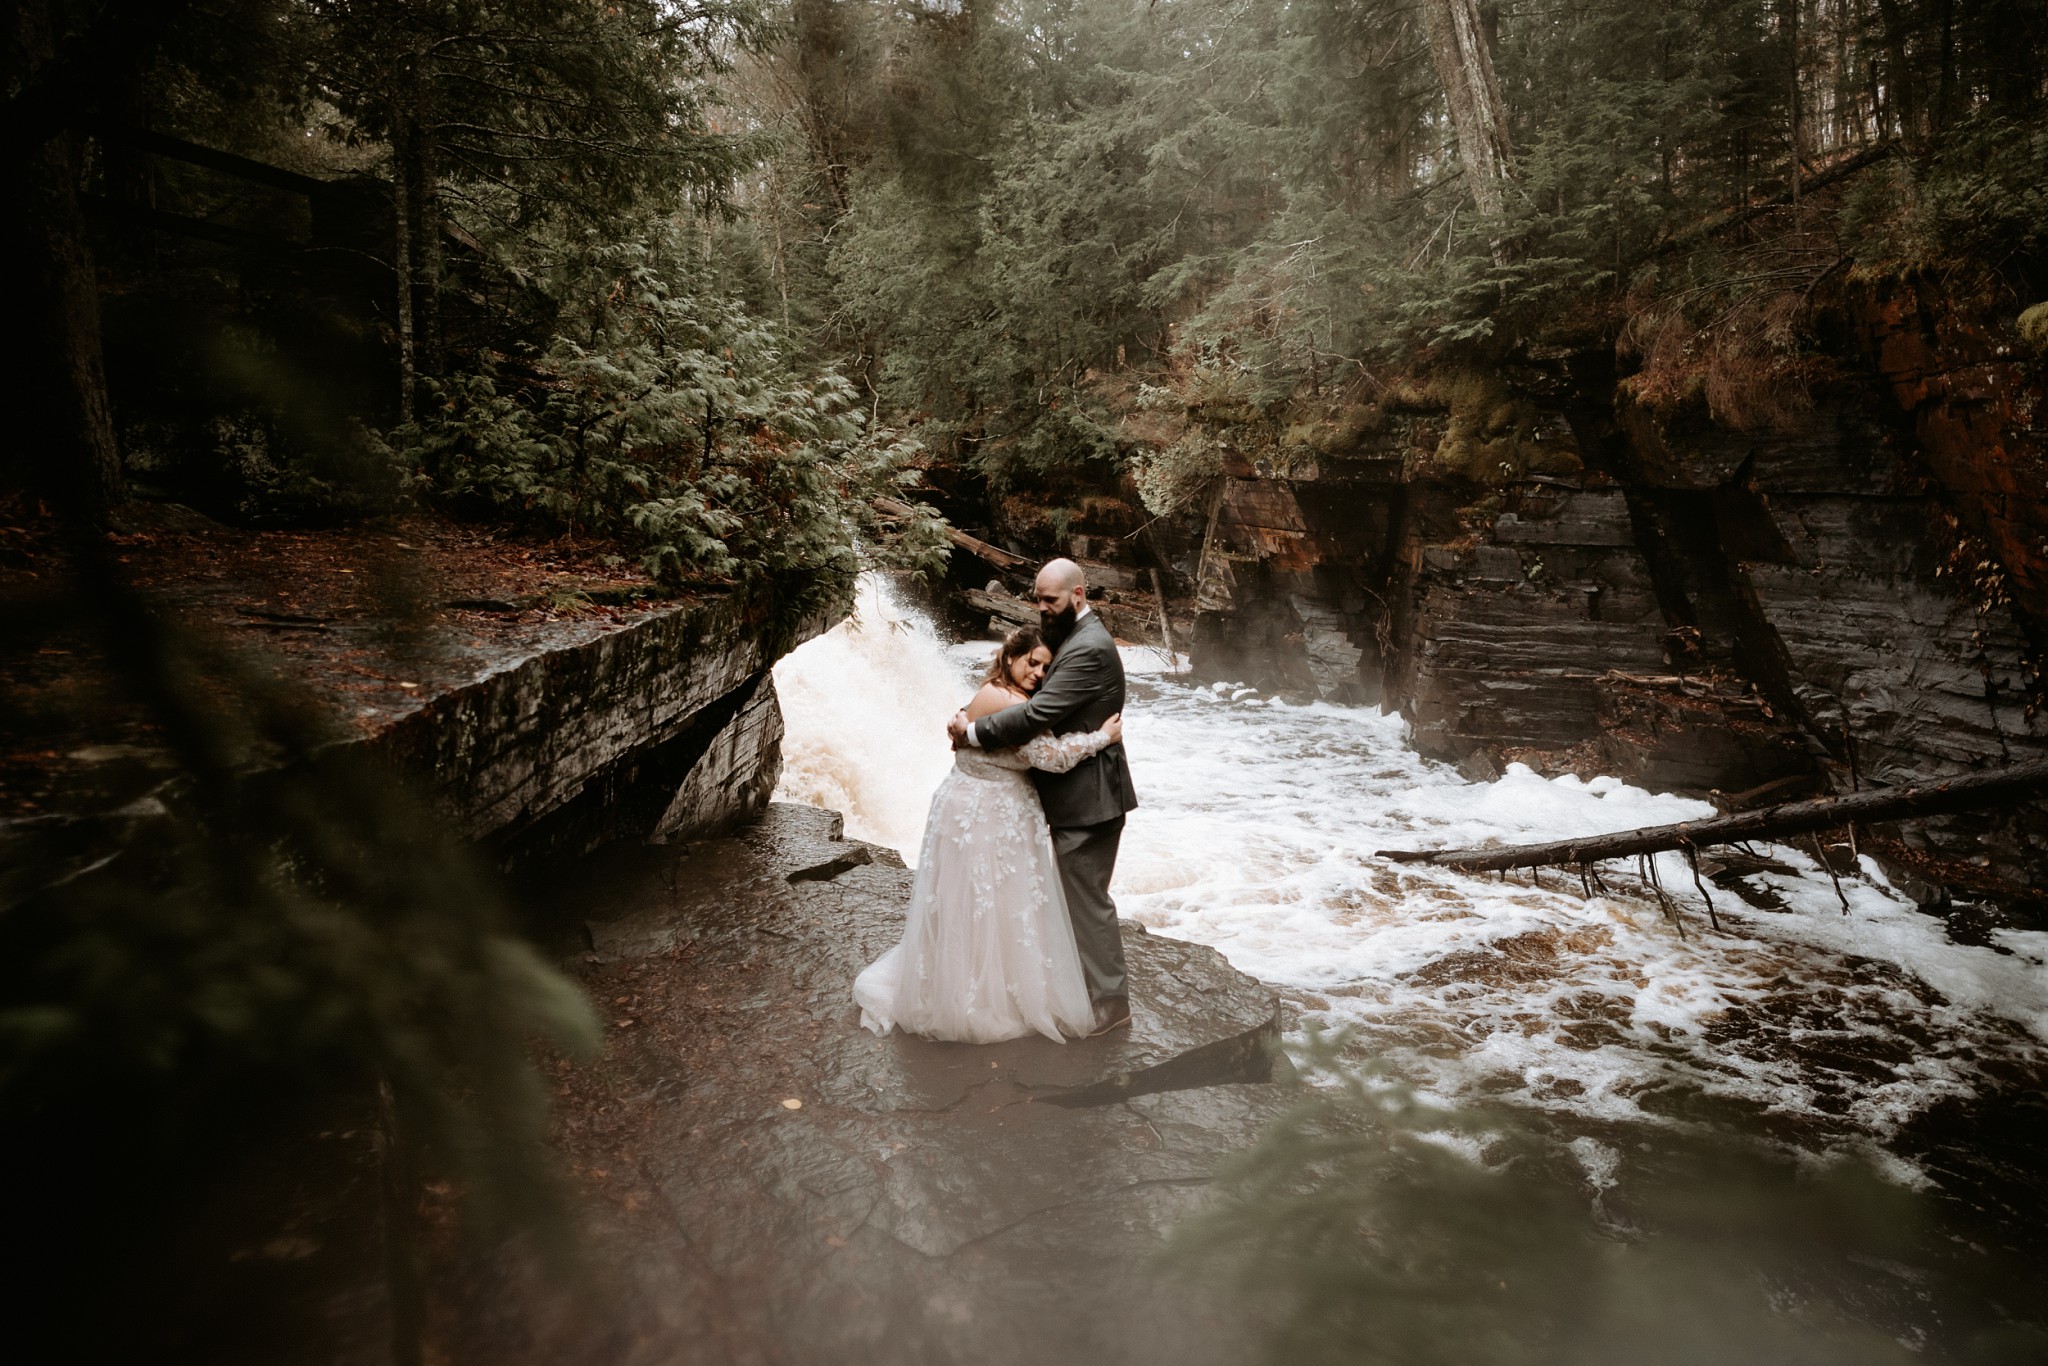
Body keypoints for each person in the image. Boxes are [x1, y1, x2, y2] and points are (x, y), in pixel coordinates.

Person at [854, 627, 1124, 1043]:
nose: (1037, 672)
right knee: (982, 902)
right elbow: (1048, 758)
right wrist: (1102, 738)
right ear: (1010, 657)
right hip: (982, 811)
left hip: (984, 806)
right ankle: (975, 996)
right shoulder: (1004, 699)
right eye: (1031, 662)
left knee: (991, 904)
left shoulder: (1003, 695)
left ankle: (988, 986)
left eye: (1046, 668)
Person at [947, 559, 1139, 1037]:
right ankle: (1082, 991)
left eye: (1049, 600)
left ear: (1078, 594)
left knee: (1086, 902)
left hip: (1089, 801)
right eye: (1037, 598)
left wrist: (971, 730)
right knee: (1071, 900)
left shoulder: (1089, 648)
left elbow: (1036, 716)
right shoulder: (1070, 635)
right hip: (1075, 796)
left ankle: (1111, 1005)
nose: (1041, 608)